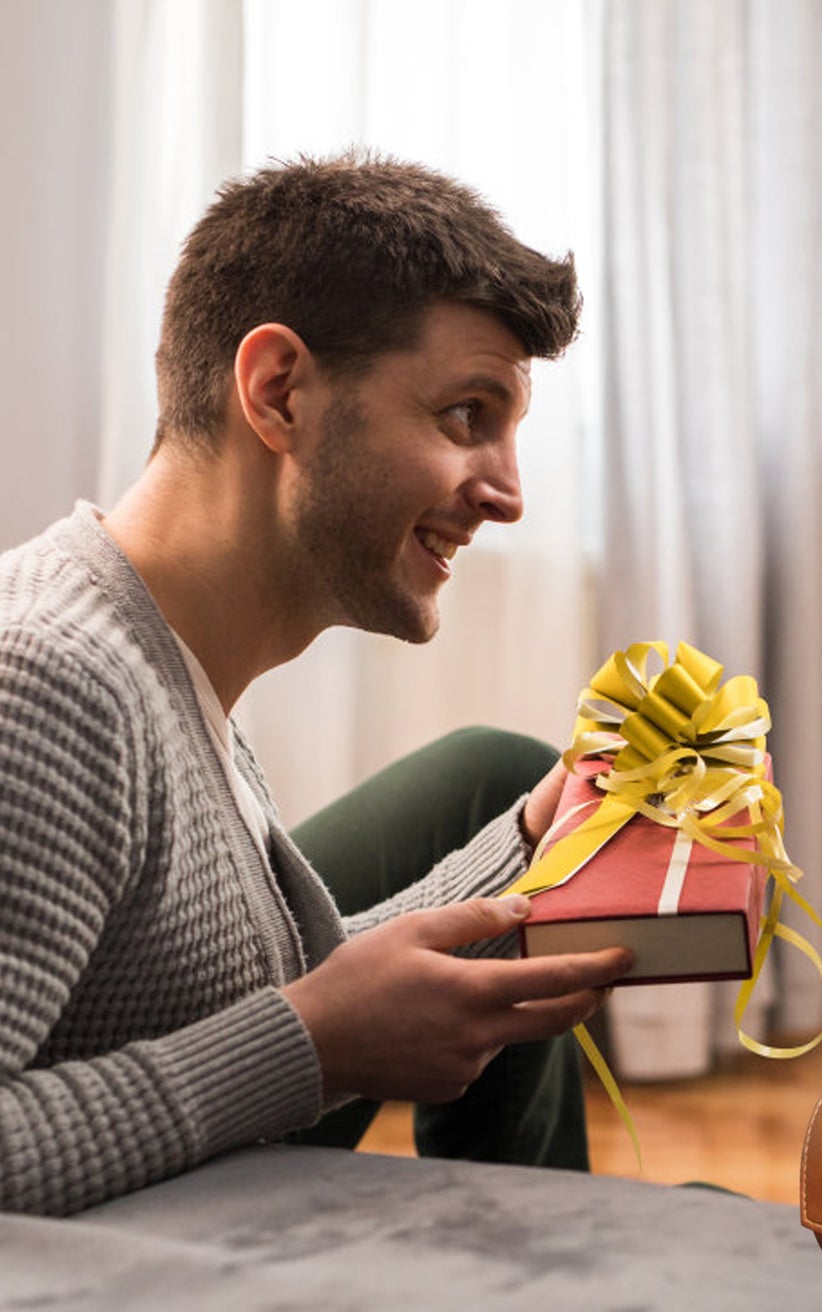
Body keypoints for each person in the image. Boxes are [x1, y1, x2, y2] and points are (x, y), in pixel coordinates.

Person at [0, 152, 633, 1217]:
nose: (508, 494)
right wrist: (311, 1045)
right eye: (465, 415)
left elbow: (283, 997)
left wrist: (534, 835)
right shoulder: (52, 680)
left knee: (508, 784)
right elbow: (295, 1024)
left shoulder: (167, 659)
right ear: (278, 391)